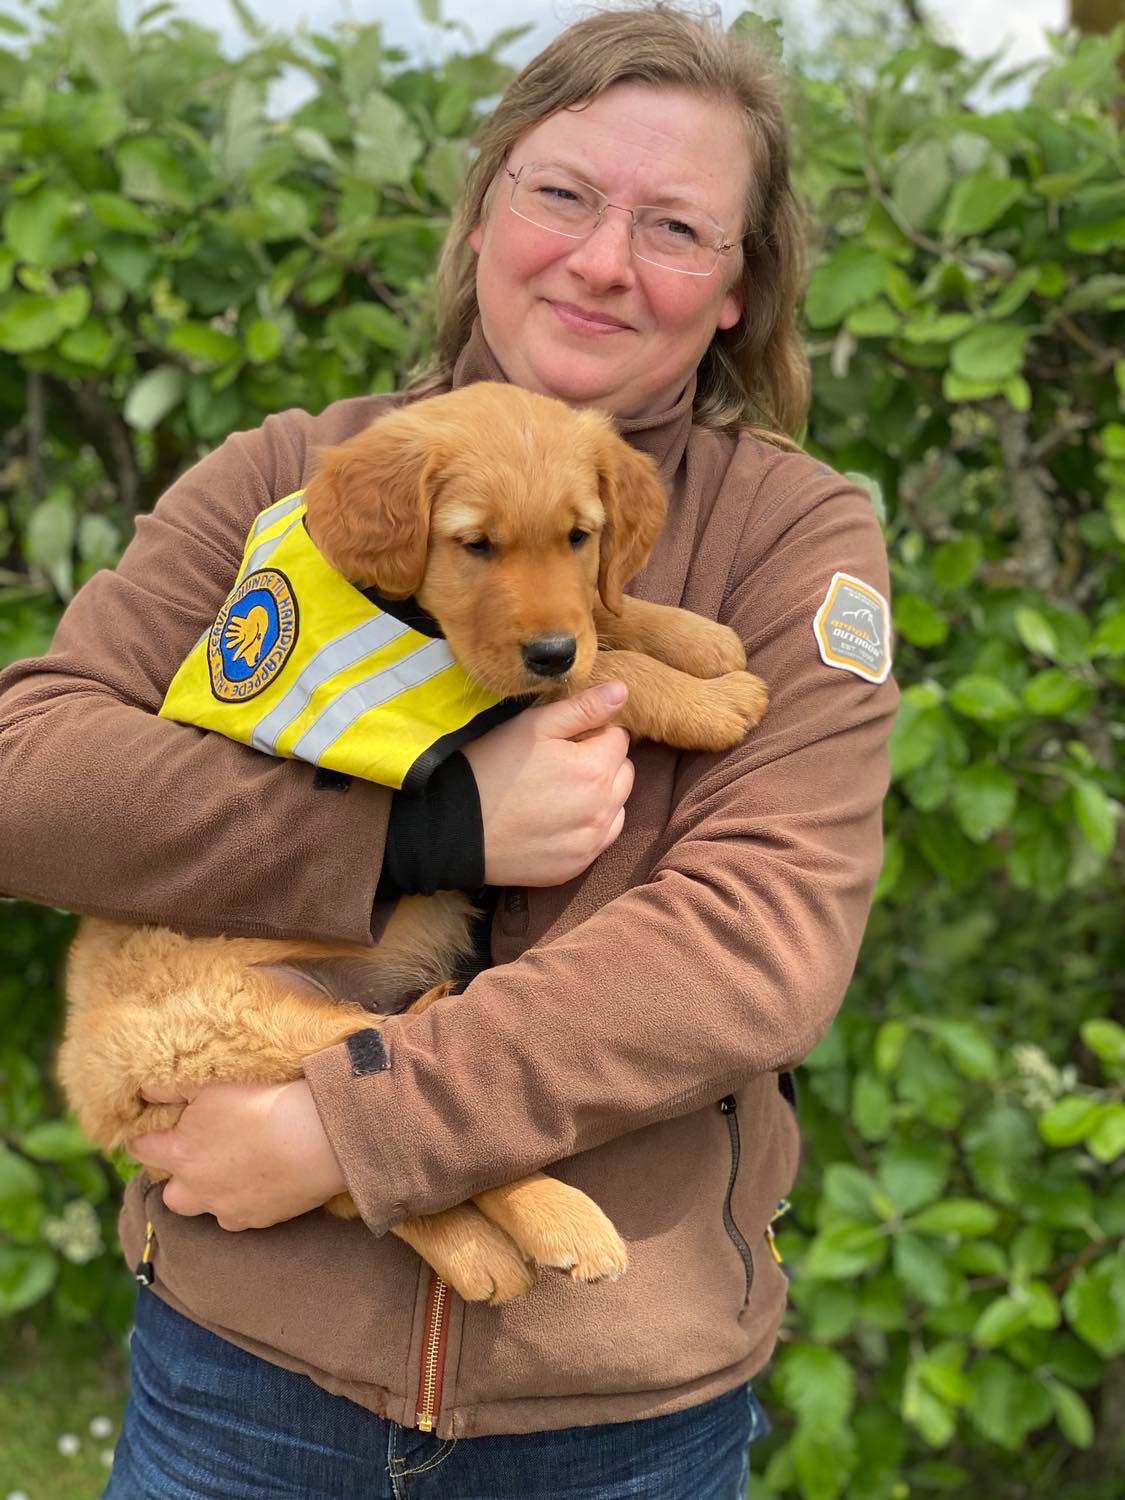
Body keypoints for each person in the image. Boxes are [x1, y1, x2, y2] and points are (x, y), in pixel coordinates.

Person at [0, 6, 897, 1497]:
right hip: (241, 1378)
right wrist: (417, 833)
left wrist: (354, 1130)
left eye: (677, 226)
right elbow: (26, 772)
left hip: (611, 1411)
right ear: (483, 212)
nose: (603, 260)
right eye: (561, 193)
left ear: (738, 289)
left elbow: (757, 945)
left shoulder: (793, 541)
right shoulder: (292, 476)